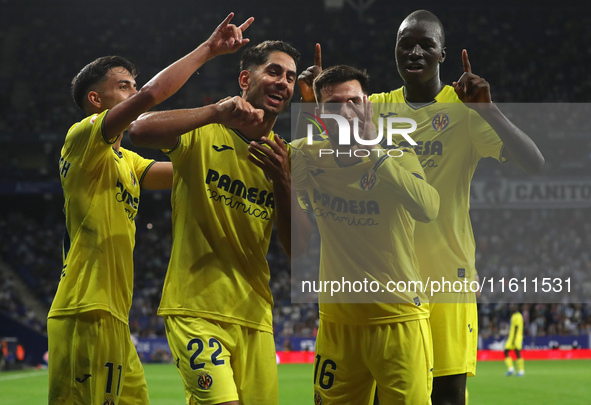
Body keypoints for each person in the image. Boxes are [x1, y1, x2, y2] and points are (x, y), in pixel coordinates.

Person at [299, 9, 544, 405]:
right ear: (394, 52)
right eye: (405, 44)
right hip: (386, 283)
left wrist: (489, 110)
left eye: (425, 44)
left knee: (447, 396)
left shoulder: (465, 109)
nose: (414, 51)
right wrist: (314, 104)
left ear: (442, 53)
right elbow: (315, 155)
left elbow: (534, 163)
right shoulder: (373, 107)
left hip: (446, 277)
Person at [47, 13, 254, 405]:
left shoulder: (127, 161)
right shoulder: (82, 138)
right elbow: (151, 99)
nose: (134, 91)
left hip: (114, 315)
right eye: (123, 86)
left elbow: (193, 172)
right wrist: (208, 51)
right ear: (96, 100)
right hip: (85, 309)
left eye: (133, 85)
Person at [128, 40, 299, 404]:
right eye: (273, 71)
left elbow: (297, 251)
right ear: (244, 79)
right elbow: (139, 130)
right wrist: (215, 112)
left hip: (255, 316)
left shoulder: (286, 157)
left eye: (290, 77)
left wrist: (284, 184)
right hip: (195, 309)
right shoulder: (205, 132)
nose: (283, 81)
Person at [291, 65, 440, 404]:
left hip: (399, 319)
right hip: (338, 325)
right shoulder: (305, 156)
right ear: (319, 113)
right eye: (333, 105)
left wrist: (372, 152)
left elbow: (429, 208)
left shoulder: (398, 156)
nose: (346, 112)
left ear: (368, 106)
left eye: (354, 101)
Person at [504, 305, 525, 376]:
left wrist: (514, 339)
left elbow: (516, 327)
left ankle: (521, 370)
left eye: (513, 306)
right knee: (506, 351)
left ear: (516, 307)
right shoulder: (514, 315)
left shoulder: (518, 316)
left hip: (516, 337)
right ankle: (511, 369)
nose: (511, 307)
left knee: (517, 352)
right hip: (512, 337)